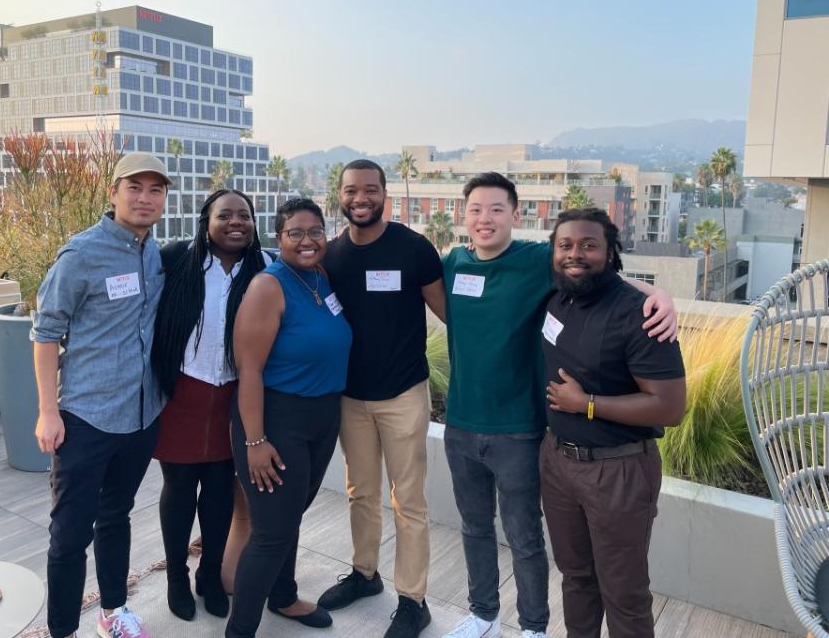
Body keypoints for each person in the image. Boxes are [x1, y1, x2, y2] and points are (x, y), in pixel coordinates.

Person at [440, 173, 678, 638]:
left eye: (496, 209)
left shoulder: (535, 260)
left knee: (528, 538)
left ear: (514, 214)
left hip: (522, 430)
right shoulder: (454, 263)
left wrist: (660, 295)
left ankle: (532, 626)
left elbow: (602, 273)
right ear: (463, 215)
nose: (484, 219)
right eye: (475, 210)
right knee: (479, 530)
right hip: (464, 426)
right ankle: (483, 613)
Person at [31, 152, 170, 638]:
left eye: (155, 190)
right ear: (113, 194)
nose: (145, 198)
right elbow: (45, 333)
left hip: (140, 417)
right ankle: (62, 629)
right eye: (135, 187)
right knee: (69, 533)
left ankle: (113, 611)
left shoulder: (153, 251)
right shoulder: (81, 254)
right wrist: (49, 412)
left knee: (117, 516)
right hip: (86, 418)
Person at [540, 208, 685, 638]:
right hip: (558, 463)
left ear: (611, 252)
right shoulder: (558, 295)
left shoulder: (639, 315)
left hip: (617, 471)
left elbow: (669, 407)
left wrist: (585, 404)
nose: (575, 254)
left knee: (624, 594)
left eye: (589, 245)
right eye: (565, 245)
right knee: (576, 578)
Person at [317, 159, 446, 638]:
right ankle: (365, 574)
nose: (361, 198)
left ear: (384, 193)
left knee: (408, 500)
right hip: (350, 397)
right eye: (352, 190)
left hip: (403, 395)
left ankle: (413, 600)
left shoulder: (414, 249)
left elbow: (452, 313)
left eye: (370, 189)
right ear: (341, 195)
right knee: (360, 493)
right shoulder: (330, 256)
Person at [226, 198, 353, 638]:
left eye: (315, 231)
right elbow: (250, 370)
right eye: (294, 233)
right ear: (277, 238)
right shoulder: (268, 285)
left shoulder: (319, 276)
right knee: (271, 534)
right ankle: (239, 630)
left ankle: (283, 596)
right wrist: (255, 441)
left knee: (289, 516)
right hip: (276, 419)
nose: (306, 240)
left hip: (322, 415)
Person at [151, 189, 271, 621]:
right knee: (180, 490)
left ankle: (209, 574)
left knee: (220, 492)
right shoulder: (175, 258)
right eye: (225, 215)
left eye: (244, 216)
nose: (235, 222)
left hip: (233, 396)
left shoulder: (264, 269)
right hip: (182, 393)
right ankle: (176, 579)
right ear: (206, 221)